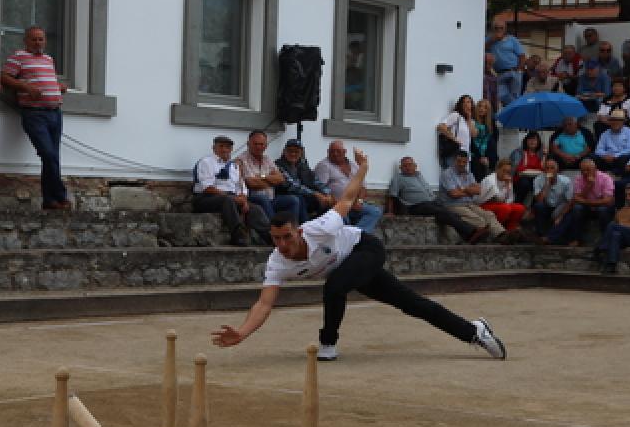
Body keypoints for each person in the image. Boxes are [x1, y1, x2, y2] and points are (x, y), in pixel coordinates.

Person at [210, 147, 507, 363]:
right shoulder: (277, 262)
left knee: (336, 285)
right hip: (348, 267)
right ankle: (474, 332)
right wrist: (243, 332)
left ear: (299, 232)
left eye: (287, 237)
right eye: (276, 240)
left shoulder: (320, 227)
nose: (283, 245)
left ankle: (328, 344)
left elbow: (348, 198)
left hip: (365, 249)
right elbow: (264, 304)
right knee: (412, 304)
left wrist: (362, 168)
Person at [1, 25, 70, 209]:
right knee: (47, 153)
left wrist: (58, 87)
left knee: (53, 156)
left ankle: (51, 200)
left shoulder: (48, 59)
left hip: (55, 112)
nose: (38, 42)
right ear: (26, 41)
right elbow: (5, 78)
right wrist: (26, 88)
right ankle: (59, 195)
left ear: (45, 41)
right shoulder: (19, 57)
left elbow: (45, 78)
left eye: (41, 39)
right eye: (34, 39)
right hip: (34, 114)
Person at [192, 135, 270, 247]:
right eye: (221, 146)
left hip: (230, 198)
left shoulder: (234, 166)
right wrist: (234, 198)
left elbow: (241, 186)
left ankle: (269, 236)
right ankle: (237, 235)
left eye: (227, 147)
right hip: (205, 198)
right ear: (214, 148)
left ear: (231, 149)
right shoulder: (206, 162)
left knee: (255, 208)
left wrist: (243, 198)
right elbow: (207, 187)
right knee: (228, 200)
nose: (224, 150)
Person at [387, 156, 477, 243]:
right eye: (405, 165)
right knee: (442, 212)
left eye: (410, 165)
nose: (408, 167)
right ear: (400, 168)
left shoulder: (419, 175)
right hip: (415, 206)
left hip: (431, 203)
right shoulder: (398, 178)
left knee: (450, 214)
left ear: (415, 166)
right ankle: (472, 232)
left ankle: (468, 237)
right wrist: (390, 211)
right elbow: (392, 196)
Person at [236, 130, 304, 225]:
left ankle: (293, 229)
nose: (258, 147)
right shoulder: (241, 160)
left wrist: (261, 177)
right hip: (253, 198)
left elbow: (280, 179)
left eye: (261, 144)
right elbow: (250, 183)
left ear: (266, 145)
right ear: (248, 144)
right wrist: (270, 180)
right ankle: (274, 229)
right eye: (255, 144)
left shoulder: (267, 159)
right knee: (262, 198)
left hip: (271, 198)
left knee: (293, 200)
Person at [439, 150, 509, 242]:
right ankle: (480, 237)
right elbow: (454, 194)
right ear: (454, 161)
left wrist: (463, 189)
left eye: (464, 162)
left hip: (469, 203)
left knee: (489, 215)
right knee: (478, 219)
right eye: (459, 161)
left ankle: (502, 235)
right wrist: (468, 190)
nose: (461, 164)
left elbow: (478, 190)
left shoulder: (468, 173)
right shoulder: (447, 174)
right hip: (453, 204)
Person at [314, 140, 383, 233]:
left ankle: (357, 235)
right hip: (335, 205)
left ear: (344, 152)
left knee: (375, 211)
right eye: (332, 151)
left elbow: (363, 187)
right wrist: (338, 202)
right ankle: (352, 237)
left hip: (354, 204)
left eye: (338, 151)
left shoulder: (354, 165)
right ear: (328, 152)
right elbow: (320, 188)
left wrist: (359, 201)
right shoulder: (324, 166)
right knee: (343, 218)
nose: (335, 154)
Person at [275, 138, 334, 218]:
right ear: (284, 152)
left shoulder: (303, 166)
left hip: (305, 196)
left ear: (301, 153)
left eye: (296, 152)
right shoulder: (278, 165)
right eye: (290, 151)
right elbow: (292, 186)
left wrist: (327, 194)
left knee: (329, 201)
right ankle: (303, 227)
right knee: (300, 198)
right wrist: (314, 194)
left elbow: (316, 181)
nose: (293, 154)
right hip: (286, 196)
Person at [566, 158, 614, 247]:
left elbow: (608, 200)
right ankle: (576, 239)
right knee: (577, 208)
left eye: (588, 170)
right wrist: (588, 186)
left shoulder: (606, 178)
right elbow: (576, 198)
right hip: (588, 206)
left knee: (602, 210)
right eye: (582, 170)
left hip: (601, 206)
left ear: (595, 169)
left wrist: (587, 202)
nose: (585, 172)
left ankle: (606, 239)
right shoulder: (579, 179)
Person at [531, 157, 575, 245]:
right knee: (538, 206)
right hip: (547, 205)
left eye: (552, 168)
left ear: (557, 169)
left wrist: (560, 216)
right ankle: (541, 235)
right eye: (547, 168)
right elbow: (539, 200)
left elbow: (570, 201)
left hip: (561, 206)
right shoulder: (538, 179)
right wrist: (547, 184)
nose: (550, 171)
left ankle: (549, 238)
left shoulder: (565, 181)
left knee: (571, 213)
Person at [477, 159, 525, 235]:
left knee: (520, 208)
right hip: (483, 205)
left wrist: (507, 201)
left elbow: (511, 198)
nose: (506, 173)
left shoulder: (507, 179)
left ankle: (510, 231)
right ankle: (496, 232)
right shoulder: (491, 180)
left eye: (508, 172)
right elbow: (499, 198)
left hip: (499, 204)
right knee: (505, 208)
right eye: (504, 171)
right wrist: (506, 185)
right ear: (497, 169)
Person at [486, 22, 525, 106]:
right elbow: (482, 49)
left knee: (515, 96)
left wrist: (519, 69)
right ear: (493, 29)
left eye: (501, 28)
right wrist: (493, 40)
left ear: (505, 29)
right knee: (500, 95)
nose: (499, 29)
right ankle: (512, 110)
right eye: (496, 28)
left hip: (514, 71)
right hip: (499, 73)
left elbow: (522, 55)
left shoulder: (512, 40)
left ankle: (514, 114)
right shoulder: (489, 39)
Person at [591, 109, 630, 176]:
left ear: (623, 122)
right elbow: (598, 149)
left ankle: (616, 173)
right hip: (607, 159)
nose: (615, 122)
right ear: (610, 121)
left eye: (618, 120)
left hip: (620, 158)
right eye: (613, 120)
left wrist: (615, 156)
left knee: (626, 158)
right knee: (592, 157)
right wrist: (605, 155)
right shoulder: (605, 134)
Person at [436, 95, 473, 169]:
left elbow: (473, 134)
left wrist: (469, 118)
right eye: (464, 102)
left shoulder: (468, 120)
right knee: (452, 178)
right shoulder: (456, 115)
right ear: (460, 104)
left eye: (469, 102)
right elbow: (440, 127)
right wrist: (455, 139)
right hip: (455, 154)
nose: (467, 104)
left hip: (465, 157)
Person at [509, 131, 545, 205]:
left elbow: (543, 169)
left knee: (540, 183)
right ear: (526, 141)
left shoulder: (541, 153)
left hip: (536, 179)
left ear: (538, 142)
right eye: (530, 139)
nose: (532, 142)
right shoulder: (519, 152)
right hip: (520, 179)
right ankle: (517, 204)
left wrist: (545, 155)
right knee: (525, 183)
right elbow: (518, 169)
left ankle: (533, 208)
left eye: (535, 140)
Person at [470, 98, 498, 181]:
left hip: (486, 154)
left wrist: (487, 158)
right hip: (474, 153)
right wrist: (480, 157)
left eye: (485, 107)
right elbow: (471, 141)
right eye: (480, 106)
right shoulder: (472, 121)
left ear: (488, 111)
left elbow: (493, 142)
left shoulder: (491, 125)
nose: (482, 109)